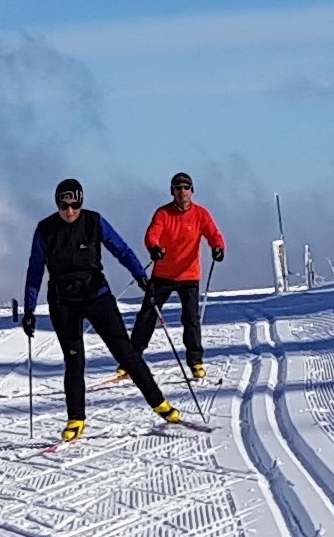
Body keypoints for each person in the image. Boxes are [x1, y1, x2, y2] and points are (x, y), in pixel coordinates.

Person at [23, 178, 183, 441]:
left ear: (81, 203)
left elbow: (121, 249)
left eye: (75, 205)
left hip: (97, 295)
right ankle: (76, 418)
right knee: (74, 360)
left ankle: (160, 404)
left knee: (126, 352)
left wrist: (141, 277)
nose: (70, 211)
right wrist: (29, 309)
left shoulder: (94, 221)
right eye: (64, 206)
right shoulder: (45, 229)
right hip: (63, 302)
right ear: (57, 204)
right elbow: (35, 270)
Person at [130, 171, 226, 379]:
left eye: (186, 187)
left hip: (189, 276)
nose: (182, 191)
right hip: (163, 275)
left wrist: (218, 247)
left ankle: (196, 360)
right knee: (147, 315)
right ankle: (132, 358)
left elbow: (213, 234)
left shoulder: (201, 214)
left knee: (191, 319)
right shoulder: (163, 213)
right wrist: (153, 248)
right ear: (172, 191)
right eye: (178, 188)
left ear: (192, 191)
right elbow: (152, 234)